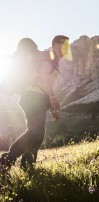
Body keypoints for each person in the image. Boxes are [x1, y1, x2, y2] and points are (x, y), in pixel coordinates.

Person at [0, 35, 70, 170]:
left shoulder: (52, 59)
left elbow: (45, 82)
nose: (67, 49)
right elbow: (42, 77)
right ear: (56, 45)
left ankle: (27, 164)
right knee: (35, 132)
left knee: (38, 134)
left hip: (36, 98)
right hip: (33, 97)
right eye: (65, 45)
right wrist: (52, 97)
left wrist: (51, 106)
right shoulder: (52, 56)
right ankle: (7, 160)